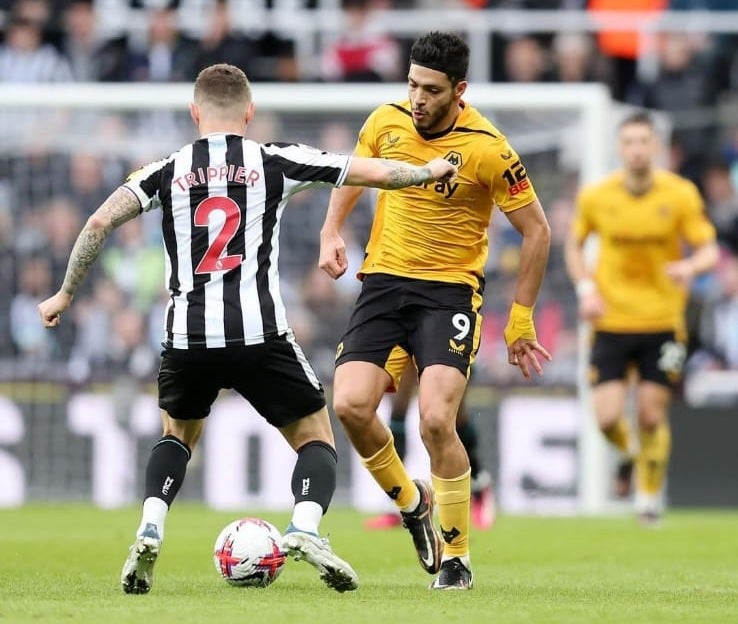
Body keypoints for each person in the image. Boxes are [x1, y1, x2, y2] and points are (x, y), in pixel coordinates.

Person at [36, 63, 458, 595]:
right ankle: (304, 528)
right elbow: (370, 172)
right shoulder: (273, 159)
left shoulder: (163, 169)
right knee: (315, 437)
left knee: (177, 435)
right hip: (259, 335)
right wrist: (430, 170)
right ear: (249, 112)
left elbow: (98, 223)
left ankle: (150, 525)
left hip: (187, 337)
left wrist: (64, 293)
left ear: (195, 112)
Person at [319, 32, 552, 590]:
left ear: (459, 90)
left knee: (435, 420)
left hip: (448, 292)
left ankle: (456, 559)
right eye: (412, 86)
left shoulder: (488, 148)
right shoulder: (386, 121)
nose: (417, 99)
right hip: (382, 284)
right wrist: (331, 230)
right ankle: (411, 500)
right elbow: (353, 172)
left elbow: (538, 231)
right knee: (350, 405)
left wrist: (520, 319)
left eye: (430, 90)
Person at [564, 110, 719, 526]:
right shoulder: (597, 196)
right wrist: (585, 289)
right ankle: (632, 457)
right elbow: (574, 246)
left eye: (643, 142)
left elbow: (707, 248)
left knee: (651, 414)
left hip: (663, 320)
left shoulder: (680, 194)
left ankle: (647, 501)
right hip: (610, 320)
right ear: (619, 148)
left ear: (657, 147)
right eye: (629, 142)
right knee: (607, 418)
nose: (636, 150)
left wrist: (690, 267)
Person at [364, 366, 496, 532]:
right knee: (398, 407)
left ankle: (478, 485)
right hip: (407, 341)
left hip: (445, 342)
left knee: (452, 414)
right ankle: (396, 502)